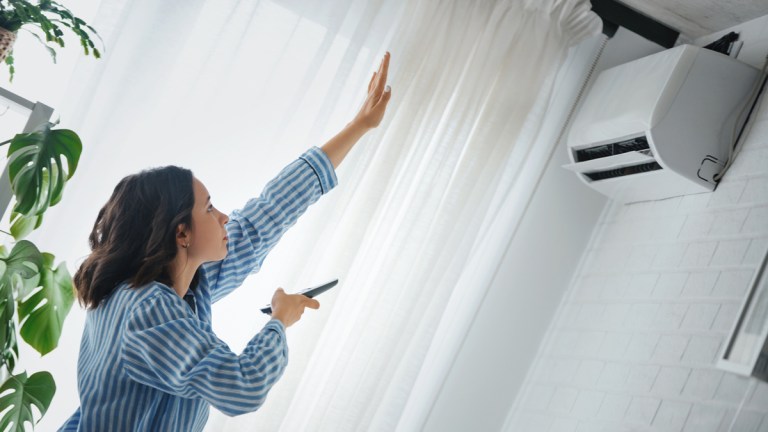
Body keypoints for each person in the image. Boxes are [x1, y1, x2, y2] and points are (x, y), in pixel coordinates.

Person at [59, 52, 392, 431]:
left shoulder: (183, 287)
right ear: (181, 233)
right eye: (210, 207)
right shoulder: (148, 308)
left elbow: (265, 216)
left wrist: (359, 124)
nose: (224, 218)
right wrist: (279, 321)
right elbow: (242, 386)